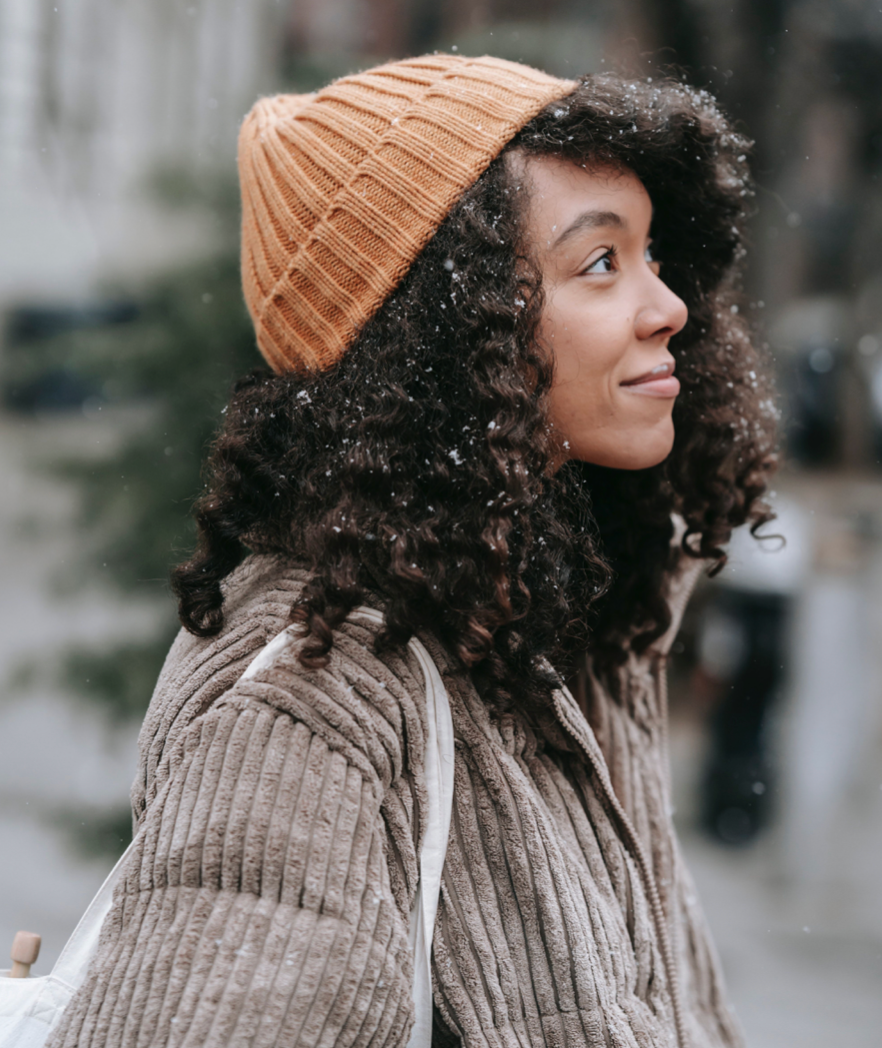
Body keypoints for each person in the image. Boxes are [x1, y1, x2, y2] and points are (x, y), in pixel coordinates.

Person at [49, 55, 775, 1048]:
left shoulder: (565, 608)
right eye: (601, 262)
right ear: (449, 334)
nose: (668, 306)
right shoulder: (310, 704)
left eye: (653, 256)